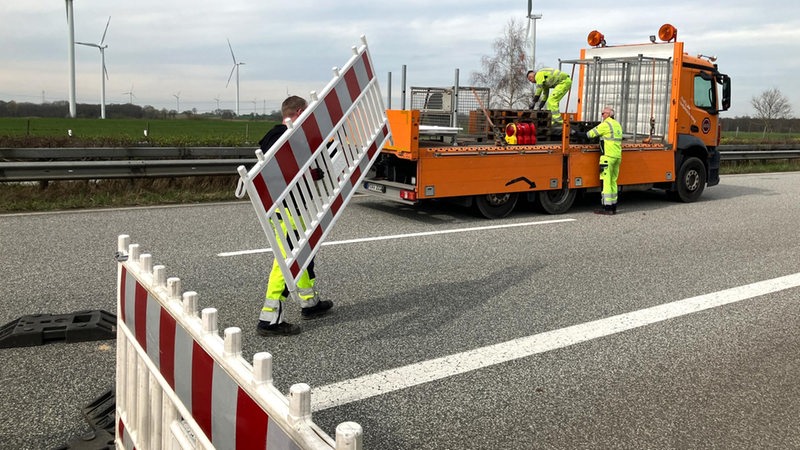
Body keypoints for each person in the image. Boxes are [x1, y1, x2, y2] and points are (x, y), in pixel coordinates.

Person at [256, 95, 333, 336]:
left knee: (304, 254)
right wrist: (311, 173)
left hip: (292, 207)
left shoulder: (277, 137)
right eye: (307, 113)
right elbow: (287, 169)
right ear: (299, 112)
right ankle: (269, 320)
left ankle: (309, 303)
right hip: (288, 209)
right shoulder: (283, 136)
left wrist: (311, 172)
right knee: (286, 262)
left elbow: (291, 168)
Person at [585, 106, 623, 215]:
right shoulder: (617, 125)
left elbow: (590, 134)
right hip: (617, 157)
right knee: (613, 182)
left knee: (606, 182)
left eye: (603, 113)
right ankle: (613, 206)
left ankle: (607, 208)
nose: (602, 115)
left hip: (607, 157)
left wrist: (574, 133)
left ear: (608, 114)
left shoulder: (606, 125)